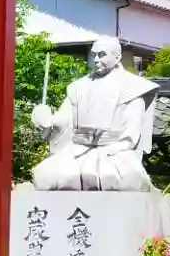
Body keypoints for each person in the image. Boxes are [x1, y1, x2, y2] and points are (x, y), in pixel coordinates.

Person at [28, 37, 159, 191]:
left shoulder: (134, 88)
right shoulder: (78, 87)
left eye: (102, 54)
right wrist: (47, 120)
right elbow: (65, 119)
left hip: (116, 153)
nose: (96, 59)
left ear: (117, 57)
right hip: (77, 150)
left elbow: (132, 130)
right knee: (45, 177)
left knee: (122, 180)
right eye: (93, 55)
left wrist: (114, 148)